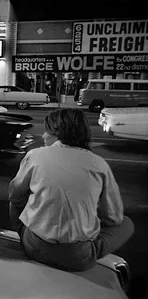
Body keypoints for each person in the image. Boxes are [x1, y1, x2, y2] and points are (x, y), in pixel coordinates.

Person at [8, 108, 134, 271]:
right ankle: (90, 249)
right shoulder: (98, 164)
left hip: (34, 247)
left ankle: (31, 239)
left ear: (60, 133)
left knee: (14, 202)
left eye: (48, 131)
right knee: (127, 224)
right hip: (77, 258)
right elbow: (113, 217)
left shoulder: (35, 155)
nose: (44, 136)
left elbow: (15, 196)